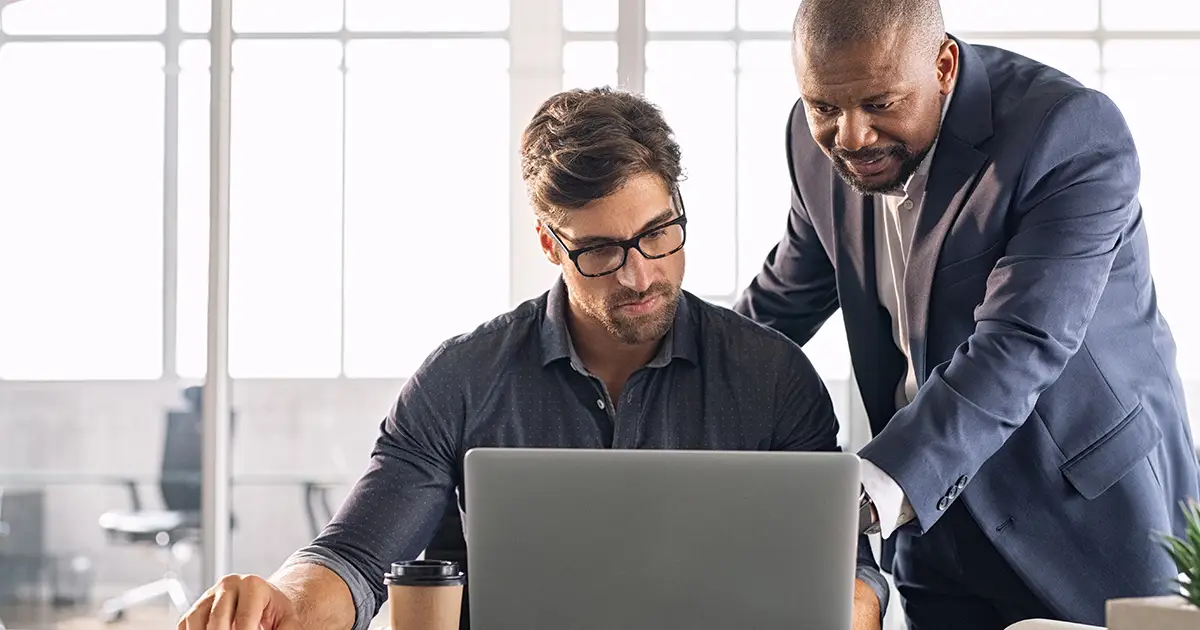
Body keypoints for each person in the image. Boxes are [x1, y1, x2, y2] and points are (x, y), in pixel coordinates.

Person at [178, 87, 888, 630]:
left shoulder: (772, 378)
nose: (639, 275)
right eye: (601, 250)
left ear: (677, 206)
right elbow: (357, 558)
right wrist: (282, 602)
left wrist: (850, 603)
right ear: (551, 244)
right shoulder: (462, 380)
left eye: (658, 234)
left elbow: (846, 578)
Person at [734, 0, 1200, 628]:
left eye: (879, 103)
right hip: (934, 529)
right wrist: (674, 379)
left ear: (944, 65)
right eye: (824, 108)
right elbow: (781, 302)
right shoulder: (811, 142)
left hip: (1087, 517)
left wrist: (862, 497)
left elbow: (1020, 344)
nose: (849, 137)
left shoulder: (1069, 133)